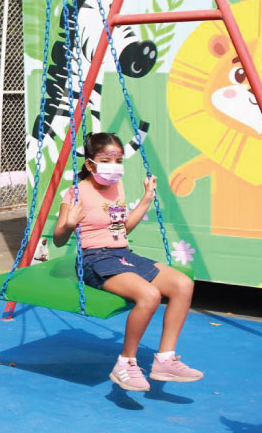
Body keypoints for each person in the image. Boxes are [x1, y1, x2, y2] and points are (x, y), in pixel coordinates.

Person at [53, 132, 203, 392]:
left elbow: (121, 230)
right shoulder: (75, 192)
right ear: (90, 164)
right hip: (94, 259)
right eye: (106, 160)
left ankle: (165, 360)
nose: (114, 166)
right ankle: (125, 363)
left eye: (118, 160)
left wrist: (146, 200)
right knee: (149, 294)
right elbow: (58, 239)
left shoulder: (116, 187)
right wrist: (69, 223)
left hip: (121, 253)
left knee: (182, 283)